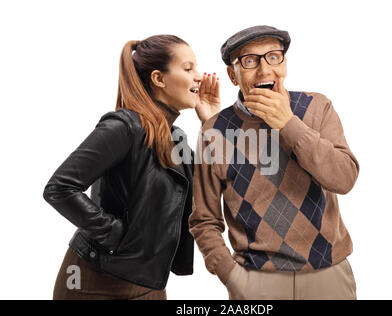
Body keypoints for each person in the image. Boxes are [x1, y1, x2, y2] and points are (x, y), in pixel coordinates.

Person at [43, 35, 220, 300]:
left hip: (148, 283)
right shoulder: (124, 127)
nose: (198, 77)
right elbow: (60, 188)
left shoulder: (177, 137)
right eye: (188, 68)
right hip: (93, 281)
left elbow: (210, 191)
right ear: (159, 79)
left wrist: (212, 123)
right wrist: (117, 236)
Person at [189, 25, 360, 300]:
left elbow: (344, 178)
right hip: (257, 282)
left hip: (329, 277)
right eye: (249, 61)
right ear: (233, 75)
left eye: (273, 57)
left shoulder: (317, 108)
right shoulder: (214, 130)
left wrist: (289, 124)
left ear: (284, 63)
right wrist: (231, 276)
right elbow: (204, 220)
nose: (265, 70)